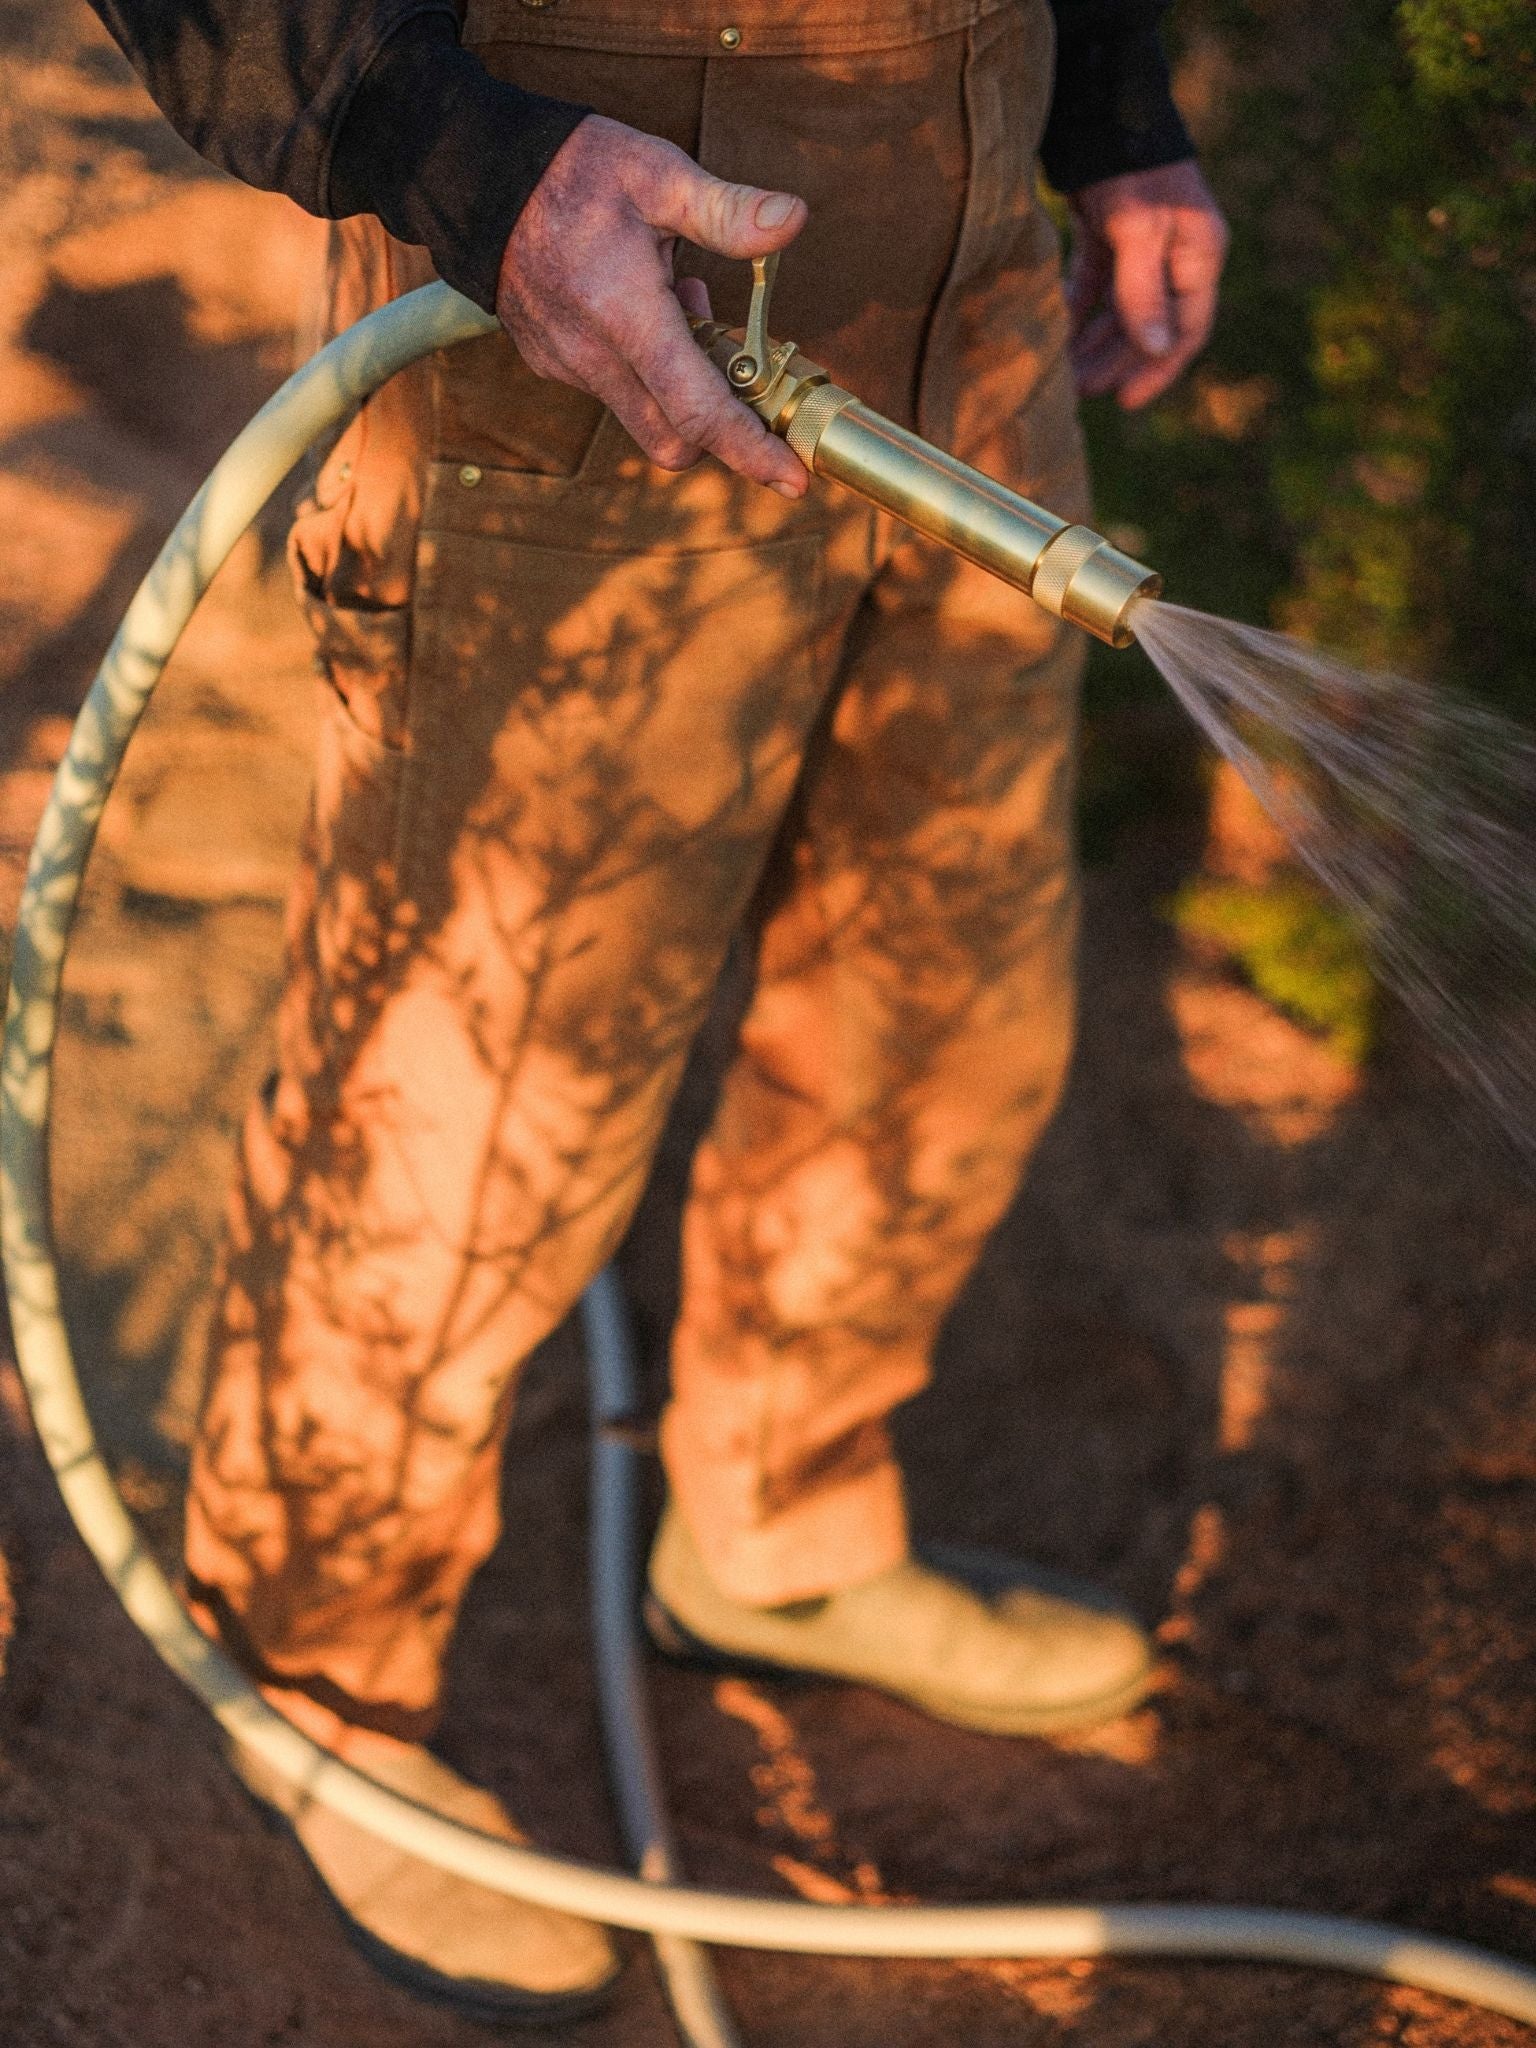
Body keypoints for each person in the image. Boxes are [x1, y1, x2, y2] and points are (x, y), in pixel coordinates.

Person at [91, 0, 1228, 2023]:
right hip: (585, 229)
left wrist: (1118, 112)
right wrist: (446, 146)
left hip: (977, 248)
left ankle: (779, 1522)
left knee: (939, 979)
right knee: (477, 1070)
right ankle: (319, 1677)